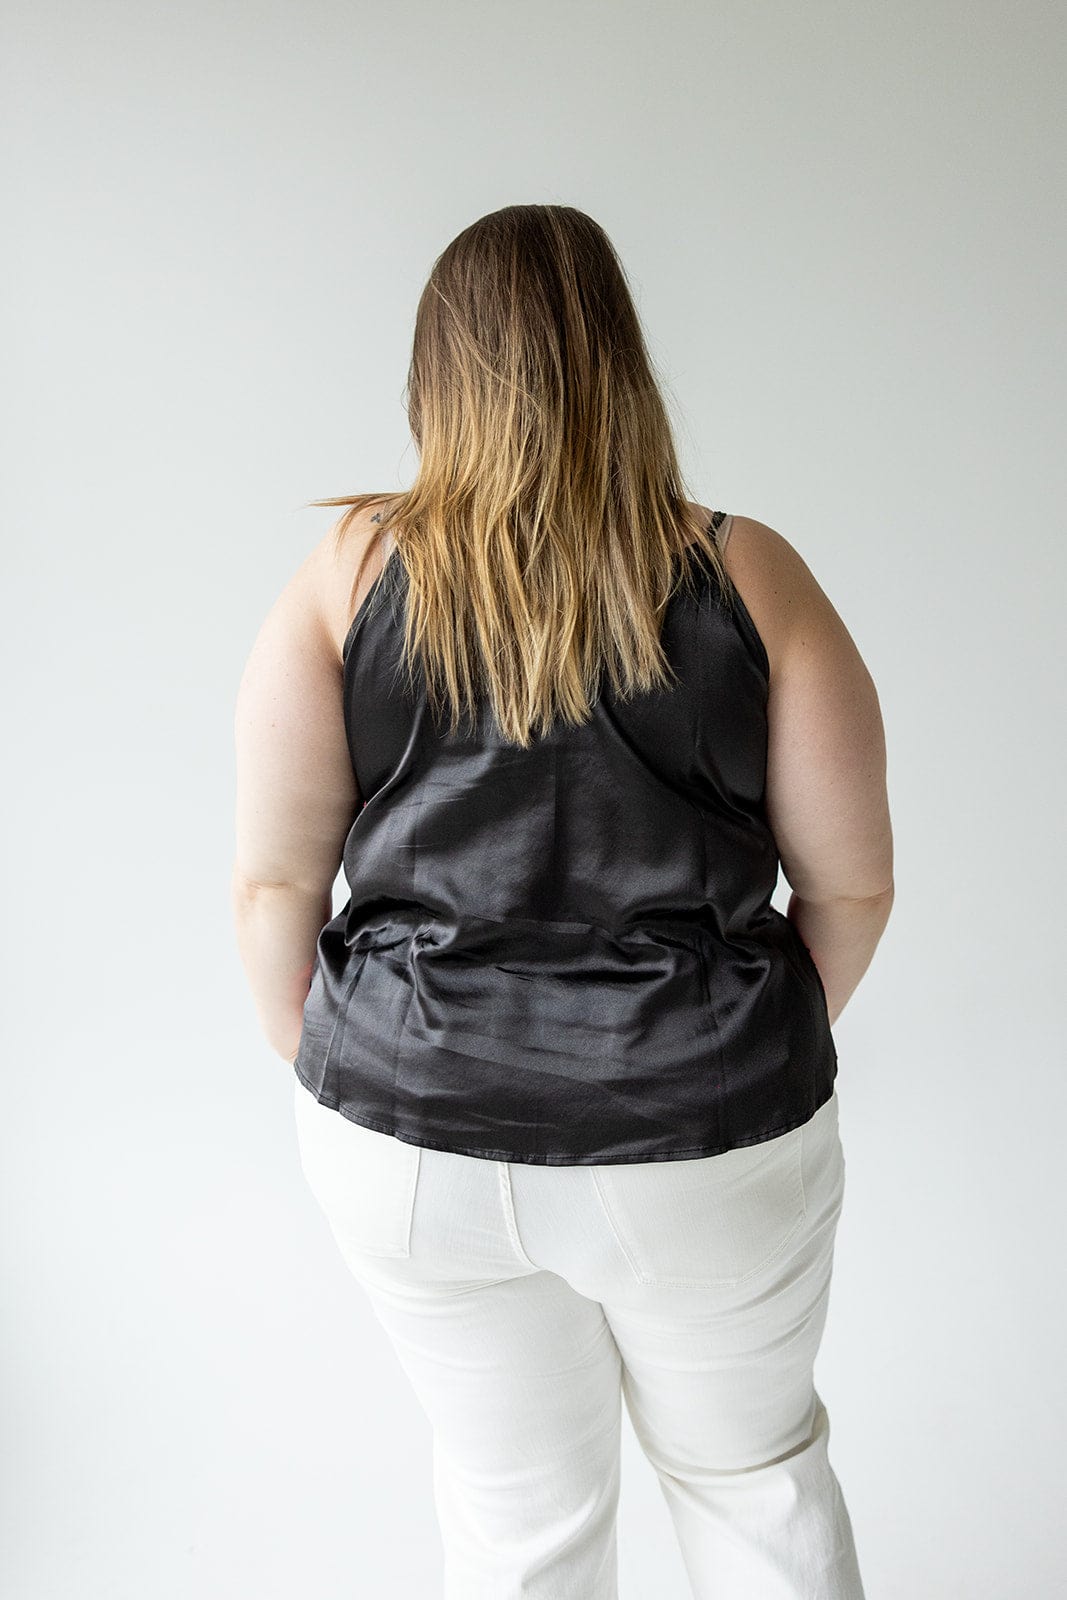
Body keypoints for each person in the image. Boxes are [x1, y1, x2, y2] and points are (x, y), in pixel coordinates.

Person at [231, 204, 892, 1600]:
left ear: (436, 373)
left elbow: (275, 882)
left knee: (515, 1514)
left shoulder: (350, 573)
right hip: (709, 1126)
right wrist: (726, 1051)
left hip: (412, 1135)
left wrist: (365, 1074)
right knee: (753, 1480)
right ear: (620, 361)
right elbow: (853, 883)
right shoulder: (750, 574)